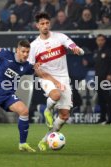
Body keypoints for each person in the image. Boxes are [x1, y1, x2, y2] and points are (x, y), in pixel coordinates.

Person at [27, 12, 83, 151]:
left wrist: (77, 50)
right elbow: (32, 68)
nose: (45, 26)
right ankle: (47, 110)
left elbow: (75, 47)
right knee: (56, 95)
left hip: (63, 77)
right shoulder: (34, 46)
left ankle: (45, 140)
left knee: (64, 115)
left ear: (49, 24)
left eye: (47, 23)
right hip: (46, 77)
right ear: (37, 26)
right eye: (42, 24)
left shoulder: (60, 37)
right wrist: (36, 69)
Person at [84, 34, 111, 124]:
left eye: (102, 40)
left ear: (104, 41)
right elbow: (95, 63)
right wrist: (88, 64)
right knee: (101, 99)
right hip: (98, 78)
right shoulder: (96, 51)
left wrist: (110, 74)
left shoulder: (108, 51)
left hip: (106, 79)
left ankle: (110, 118)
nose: (100, 42)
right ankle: (102, 118)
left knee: (108, 99)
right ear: (96, 41)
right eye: (98, 40)